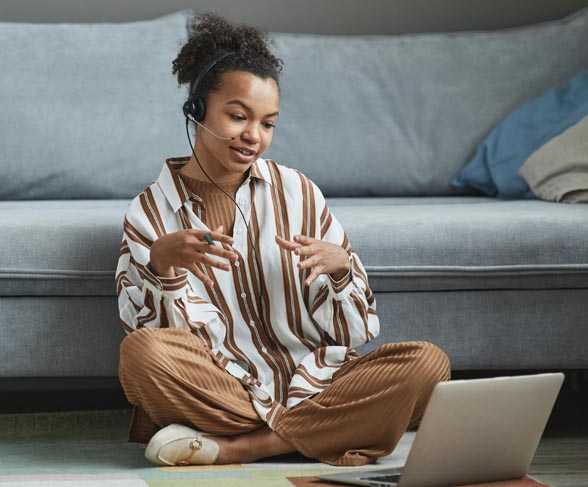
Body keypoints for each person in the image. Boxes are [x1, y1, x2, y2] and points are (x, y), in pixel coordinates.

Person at [116, 12, 451, 467]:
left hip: (317, 380)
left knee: (429, 365)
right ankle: (334, 430)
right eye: (238, 116)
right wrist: (163, 268)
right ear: (196, 111)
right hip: (225, 388)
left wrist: (342, 271)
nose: (253, 136)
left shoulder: (299, 192)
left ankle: (245, 447)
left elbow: (354, 333)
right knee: (141, 354)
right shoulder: (150, 214)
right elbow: (158, 342)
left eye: (268, 123)